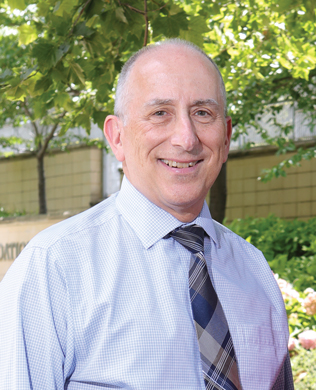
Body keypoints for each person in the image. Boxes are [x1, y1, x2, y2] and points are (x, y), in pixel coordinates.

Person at [0, 39, 293, 390]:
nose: (186, 138)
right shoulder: (54, 269)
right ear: (117, 136)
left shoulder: (255, 271)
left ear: (226, 136)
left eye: (202, 113)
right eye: (160, 113)